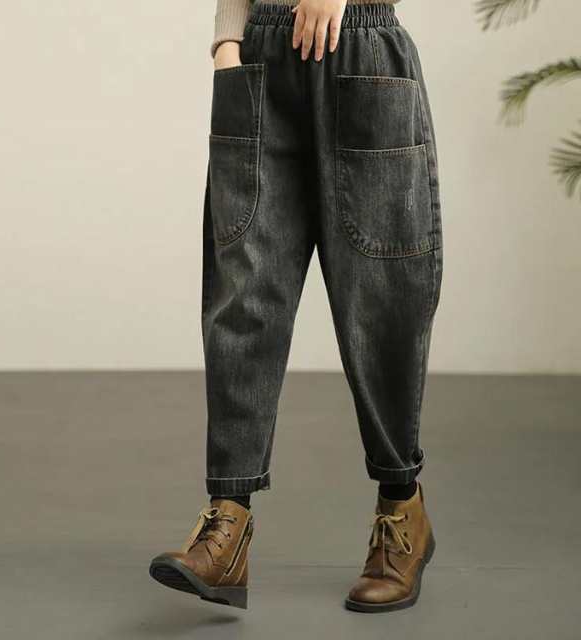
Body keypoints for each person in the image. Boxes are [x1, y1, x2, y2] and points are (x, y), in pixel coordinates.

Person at [150, 0, 442, 613]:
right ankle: (227, 525)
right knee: (244, 294)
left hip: (361, 50)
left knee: (383, 297)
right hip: (259, 60)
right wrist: (228, 41)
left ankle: (402, 509)